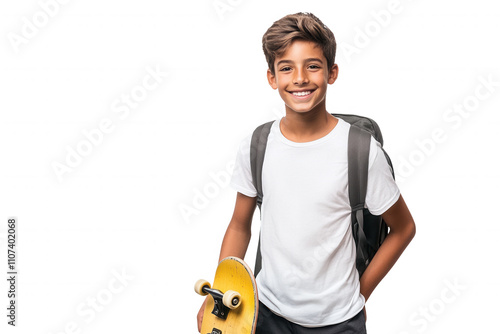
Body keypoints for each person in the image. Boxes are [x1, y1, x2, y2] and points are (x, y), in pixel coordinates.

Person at [197, 12, 416, 333]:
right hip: (265, 313)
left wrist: (359, 295)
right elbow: (239, 225)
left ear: (332, 72)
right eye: (286, 68)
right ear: (272, 77)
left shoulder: (360, 151)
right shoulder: (257, 145)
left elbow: (403, 228)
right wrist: (217, 295)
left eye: (312, 65)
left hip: (339, 322)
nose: (299, 77)